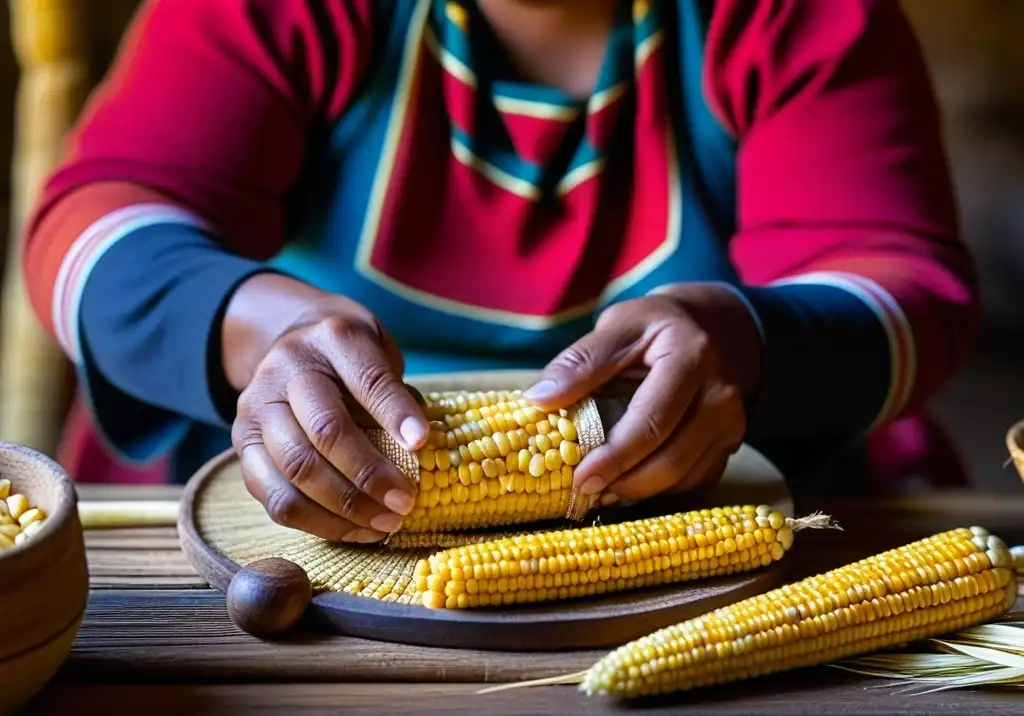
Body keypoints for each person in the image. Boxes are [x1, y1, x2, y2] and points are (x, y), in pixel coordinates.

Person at [23, 0, 977, 543]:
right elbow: (96, 226)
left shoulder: (794, 17)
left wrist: (742, 338)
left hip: (719, 520)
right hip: (290, 520)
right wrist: (262, 327)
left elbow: (903, 284)